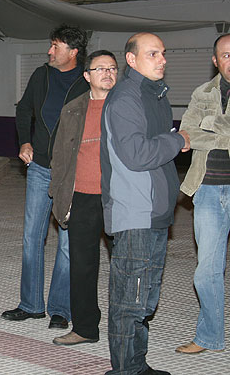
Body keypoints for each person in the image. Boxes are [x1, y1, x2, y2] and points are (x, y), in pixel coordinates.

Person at [101, 33, 190, 374]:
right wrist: (176, 139)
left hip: (154, 213)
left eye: (163, 53)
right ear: (132, 60)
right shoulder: (127, 96)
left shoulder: (155, 94)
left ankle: (137, 366)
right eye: (153, 53)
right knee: (129, 303)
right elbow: (137, 154)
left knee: (144, 300)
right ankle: (123, 370)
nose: (162, 59)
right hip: (134, 212)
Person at [3, 24, 89, 329]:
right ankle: (30, 304)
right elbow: (24, 109)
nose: (49, 51)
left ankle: (60, 309)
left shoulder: (86, 82)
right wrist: (24, 141)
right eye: (51, 45)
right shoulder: (41, 75)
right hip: (39, 166)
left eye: (55, 46)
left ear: (73, 52)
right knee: (32, 236)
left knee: (67, 242)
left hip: (71, 171)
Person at [48, 50, 118, 346]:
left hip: (120, 199)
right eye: (100, 69)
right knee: (82, 266)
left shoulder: (126, 107)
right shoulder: (73, 109)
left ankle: (127, 327)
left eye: (112, 68)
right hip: (83, 198)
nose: (108, 73)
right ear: (87, 76)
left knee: (126, 266)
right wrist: (58, 193)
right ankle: (86, 328)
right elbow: (61, 157)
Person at [176, 33, 230, 354]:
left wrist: (209, 126)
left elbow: (201, 132)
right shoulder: (202, 93)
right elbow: (187, 134)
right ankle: (210, 336)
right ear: (215, 60)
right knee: (206, 270)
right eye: (225, 55)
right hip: (208, 189)